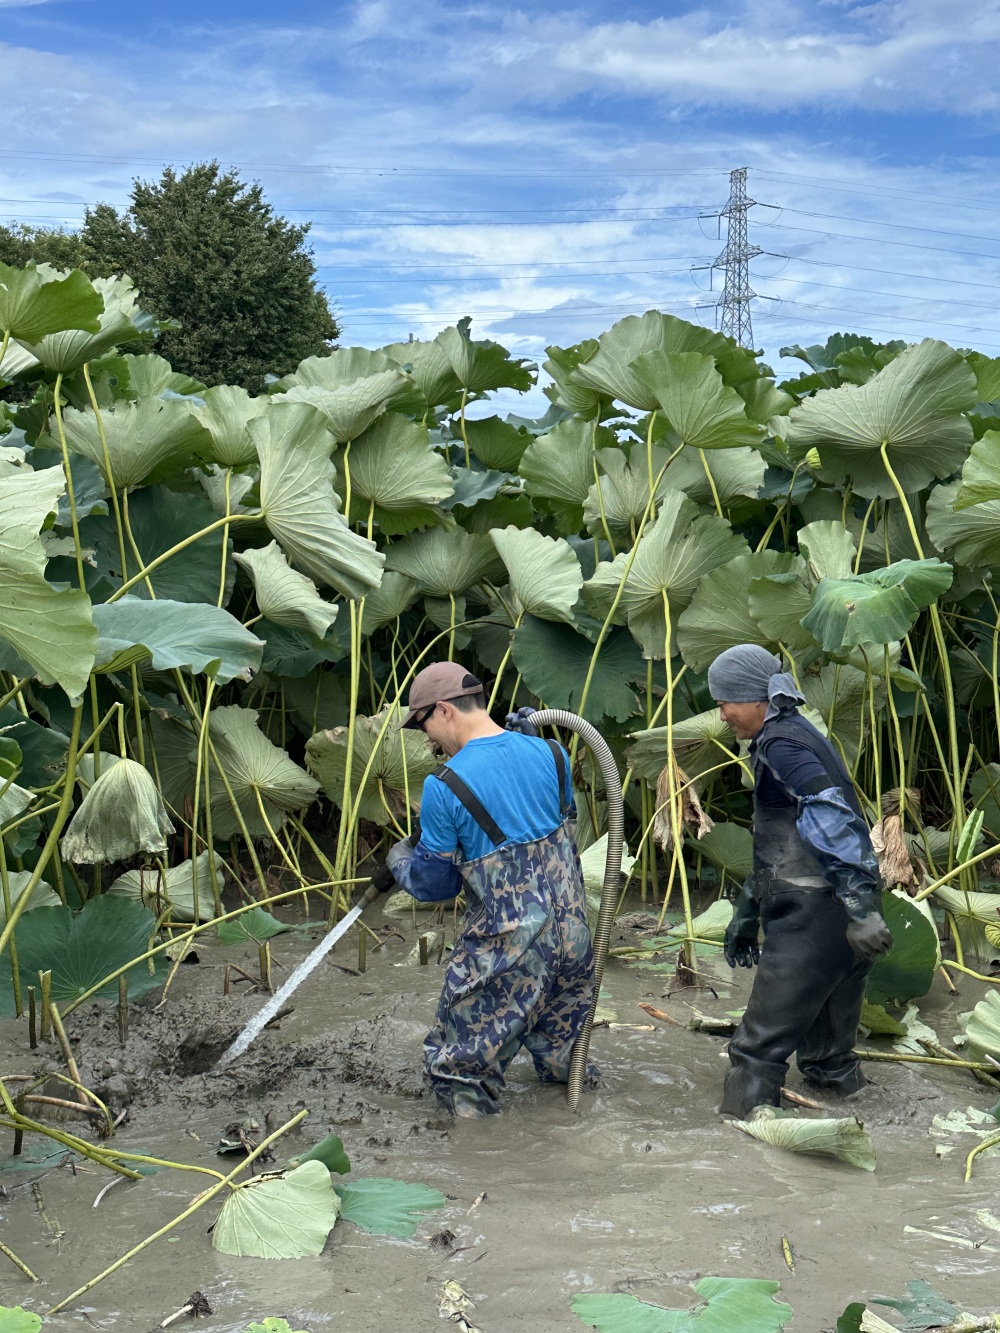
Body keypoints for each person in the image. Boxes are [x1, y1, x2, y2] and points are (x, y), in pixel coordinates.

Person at [384, 662, 595, 1117]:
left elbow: (436, 884)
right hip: (575, 938)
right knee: (567, 1061)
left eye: (424, 725)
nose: (428, 740)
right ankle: (578, 1143)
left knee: (457, 1069)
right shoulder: (552, 753)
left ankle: (483, 1169)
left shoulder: (444, 785)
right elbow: (566, 823)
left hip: (511, 948)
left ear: (443, 711)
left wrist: (400, 861)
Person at [708, 644, 892, 1119]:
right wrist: (747, 915)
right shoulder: (795, 734)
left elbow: (831, 818)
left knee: (755, 1055)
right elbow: (786, 844)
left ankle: (740, 1161)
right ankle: (861, 1133)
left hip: (815, 922)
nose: (722, 713)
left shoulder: (783, 745)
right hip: (838, 929)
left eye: (726, 701)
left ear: (755, 700)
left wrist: (860, 909)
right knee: (829, 1061)